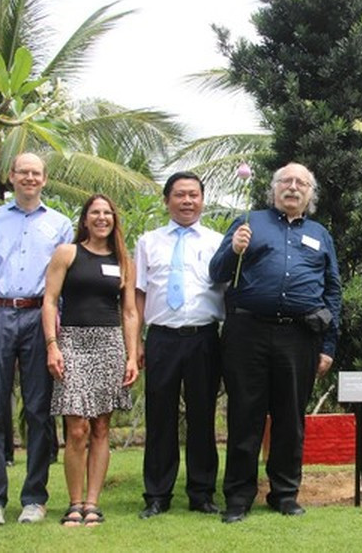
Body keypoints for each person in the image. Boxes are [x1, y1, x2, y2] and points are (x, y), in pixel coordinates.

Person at [210, 162, 341, 524]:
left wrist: (328, 345)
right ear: (273, 188)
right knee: (244, 416)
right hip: (246, 333)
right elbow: (216, 273)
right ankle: (238, 497)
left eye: (301, 183)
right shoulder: (249, 222)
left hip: (299, 337)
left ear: (310, 194)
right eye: (286, 181)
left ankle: (284, 494)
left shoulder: (320, 234)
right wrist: (234, 249)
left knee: (290, 419)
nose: (293, 187)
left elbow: (332, 291)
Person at [0, 152, 73, 526]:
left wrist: (58, 333)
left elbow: (64, 285)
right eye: (22, 171)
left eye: (35, 173)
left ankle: (34, 498)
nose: (29, 178)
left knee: (39, 411)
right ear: (11, 177)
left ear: (44, 179)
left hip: (40, 316)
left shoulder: (59, 224)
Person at [42, 194, 139, 527]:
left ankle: (93, 503)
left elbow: (129, 312)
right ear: (84, 219)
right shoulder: (67, 253)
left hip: (110, 345)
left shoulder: (124, 260)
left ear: (114, 219)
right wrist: (52, 345)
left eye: (107, 213)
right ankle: (74, 501)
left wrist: (131, 356)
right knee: (77, 427)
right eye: (95, 213)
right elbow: (50, 302)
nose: (102, 218)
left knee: (100, 427)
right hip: (72, 342)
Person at [135, 172, 224, 519]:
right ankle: (157, 494)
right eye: (180, 195)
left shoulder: (219, 242)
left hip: (203, 337)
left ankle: (201, 493)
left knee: (203, 417)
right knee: (160, 418)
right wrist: (136, 343)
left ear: (202, 199)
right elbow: (138, 296)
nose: (187, 201)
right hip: (161, 338)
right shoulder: (148, 241)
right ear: (166, 200)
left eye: (194, 195)